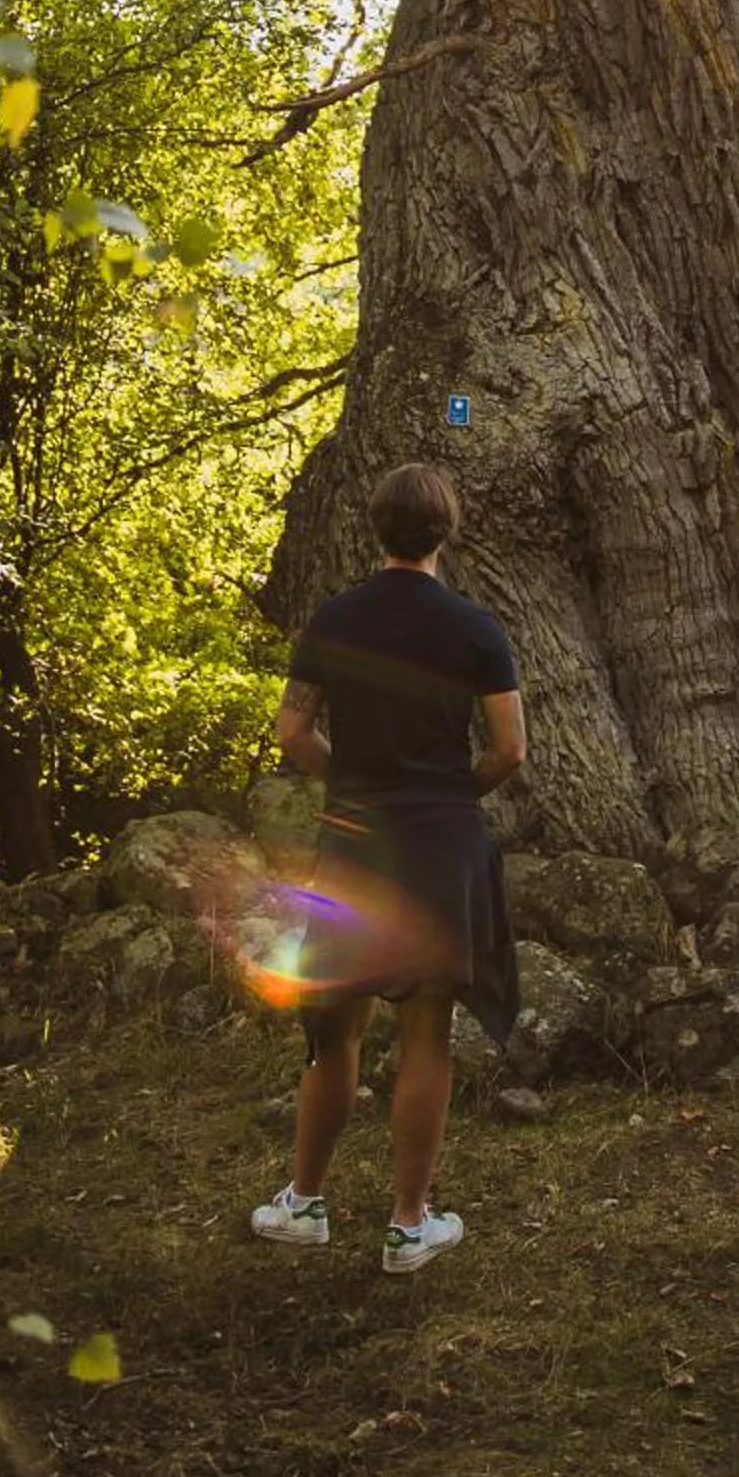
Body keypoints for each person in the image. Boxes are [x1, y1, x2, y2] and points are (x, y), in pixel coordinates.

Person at [250, 461, 527, 1275]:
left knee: (333, 1027)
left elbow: (291, 731)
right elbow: (510, 750)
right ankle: (408, 1225)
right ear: (446, 531)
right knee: (426, 1032)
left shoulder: (335, 618)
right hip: (442, 847)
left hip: (356, 842)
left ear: (376, 526)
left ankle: (304, 1204)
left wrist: (351, 782)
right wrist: (449, 792)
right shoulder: (477, 628)